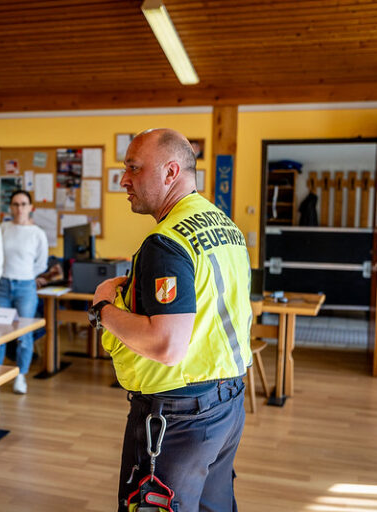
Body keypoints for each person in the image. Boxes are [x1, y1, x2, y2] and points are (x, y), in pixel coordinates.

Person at [90, 128, 252, 512]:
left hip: (177, 417)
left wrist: (103, 310)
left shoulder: (165, 243)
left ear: (170, 172)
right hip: (226, 405)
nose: (123, 179)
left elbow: (167, 344)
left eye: (133, 167)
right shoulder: (223, 225)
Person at [0, 190, 48, 394]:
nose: (19, 208)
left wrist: (25, 274)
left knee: (24, 334)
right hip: (2, 286)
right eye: (15, 204)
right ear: (10, 207)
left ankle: (20, 376)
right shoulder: (2, 228)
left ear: (31, 207)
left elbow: (41, 263)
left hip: (26, 287)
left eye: (23, 204)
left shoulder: (37, 233)